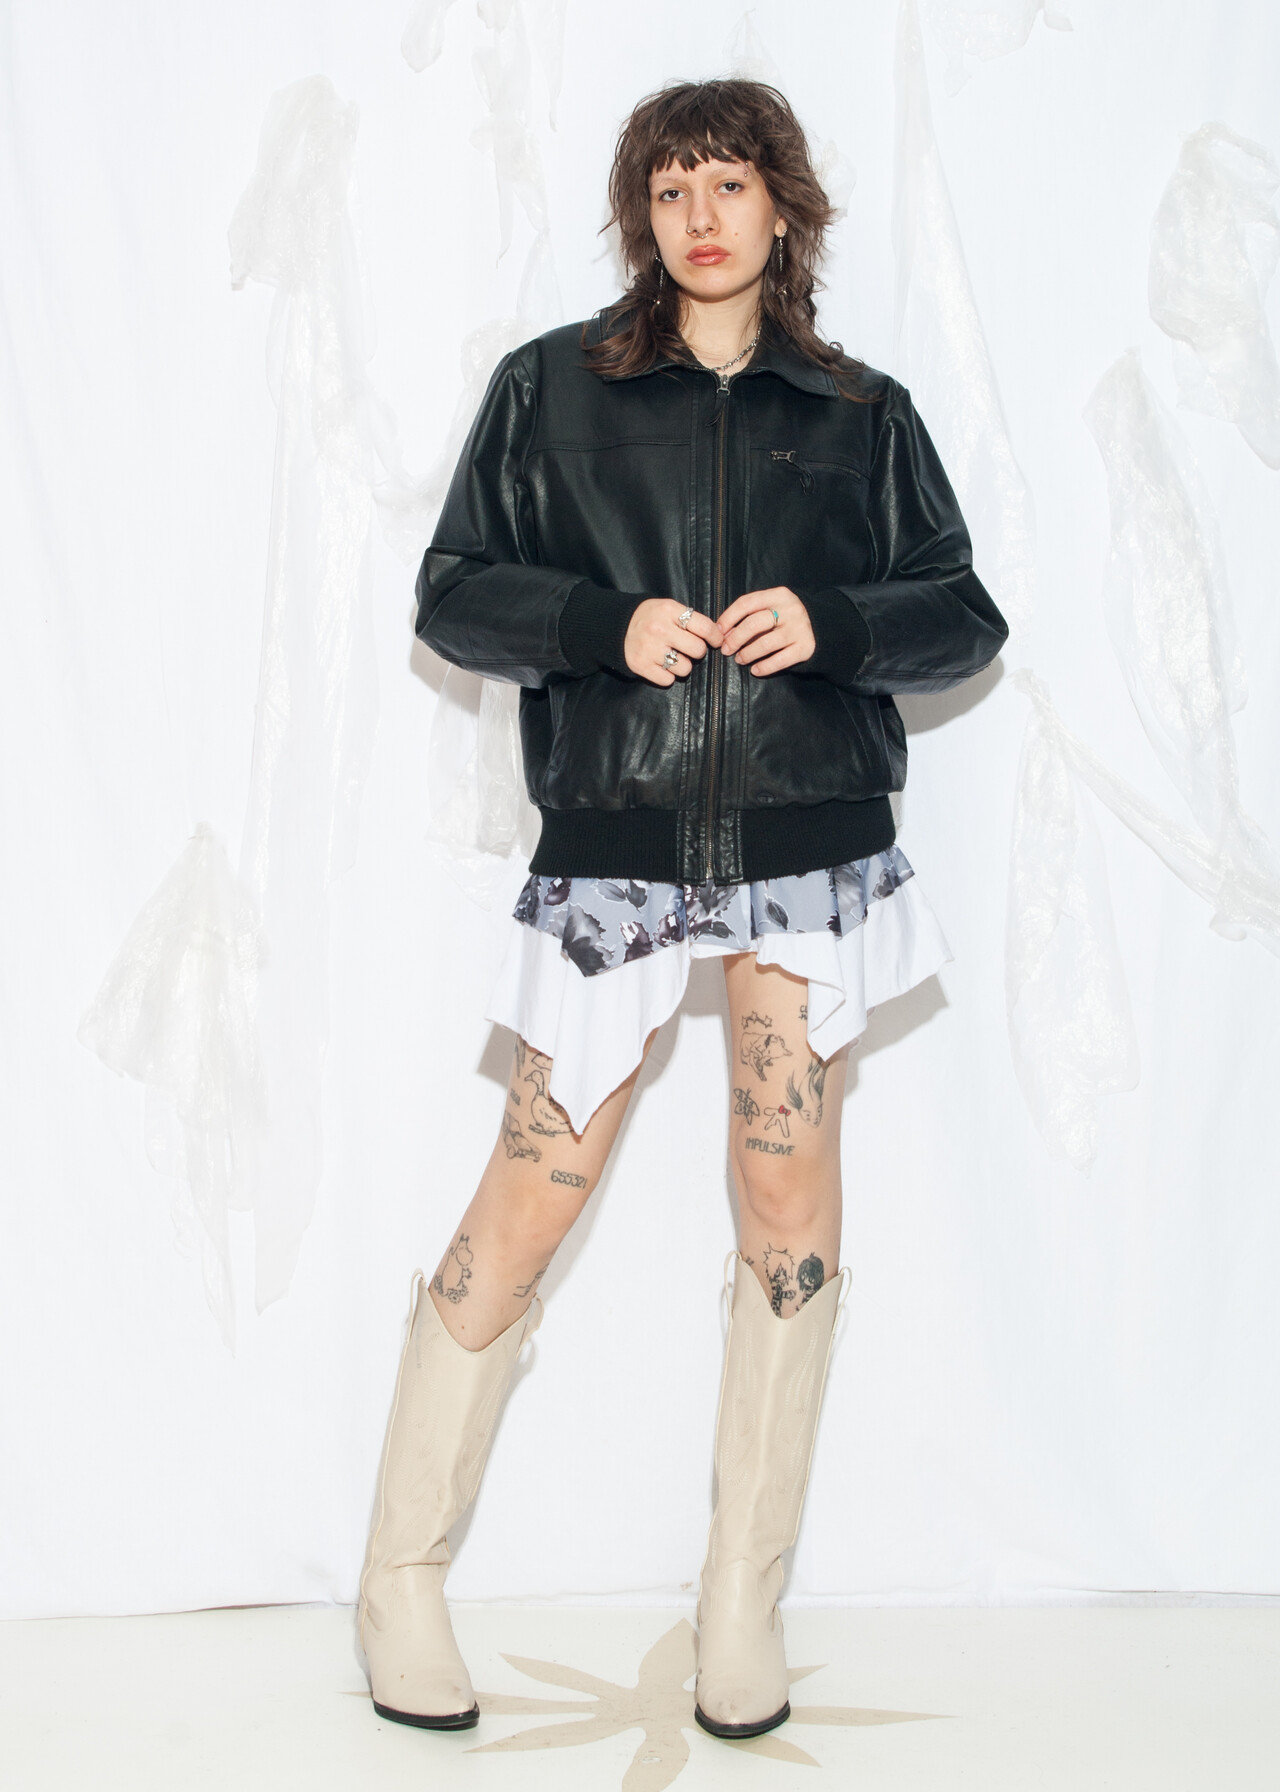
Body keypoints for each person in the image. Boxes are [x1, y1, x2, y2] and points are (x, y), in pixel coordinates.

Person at [357, 76, 1008, 1742]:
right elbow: (451, 592)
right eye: (668, 190)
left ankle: (740, 1607)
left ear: (783, 206)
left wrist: (839, 623)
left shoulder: (861, 415)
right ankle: (401, 1579)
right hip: (618, 847)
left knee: (785, 1192)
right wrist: (599, 622)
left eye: (729, 184)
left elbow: (963, 616)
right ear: (640, 216)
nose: (700, 218)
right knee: (534, 1189)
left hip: (806, 847)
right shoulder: (550, 389)